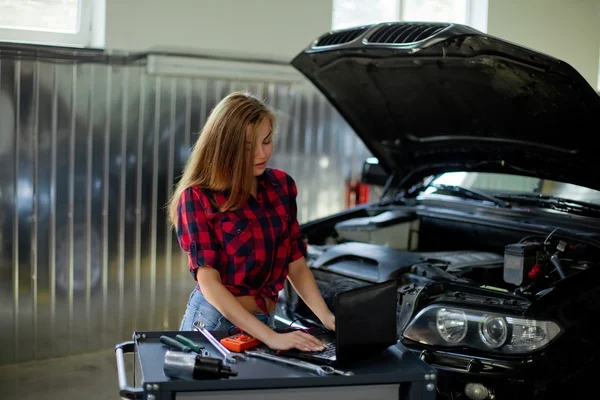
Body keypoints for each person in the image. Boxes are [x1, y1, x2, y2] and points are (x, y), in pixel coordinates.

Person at [168, 91, 335, 352]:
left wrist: (327, 319)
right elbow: (209, 284)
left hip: (264, 321)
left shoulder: (282, 186)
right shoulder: (198, 197)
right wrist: (271, 337)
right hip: (215, 324)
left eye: (267, 141)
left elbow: (296, 264)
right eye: (247, 147)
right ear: (224, 146)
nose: (261, 153)